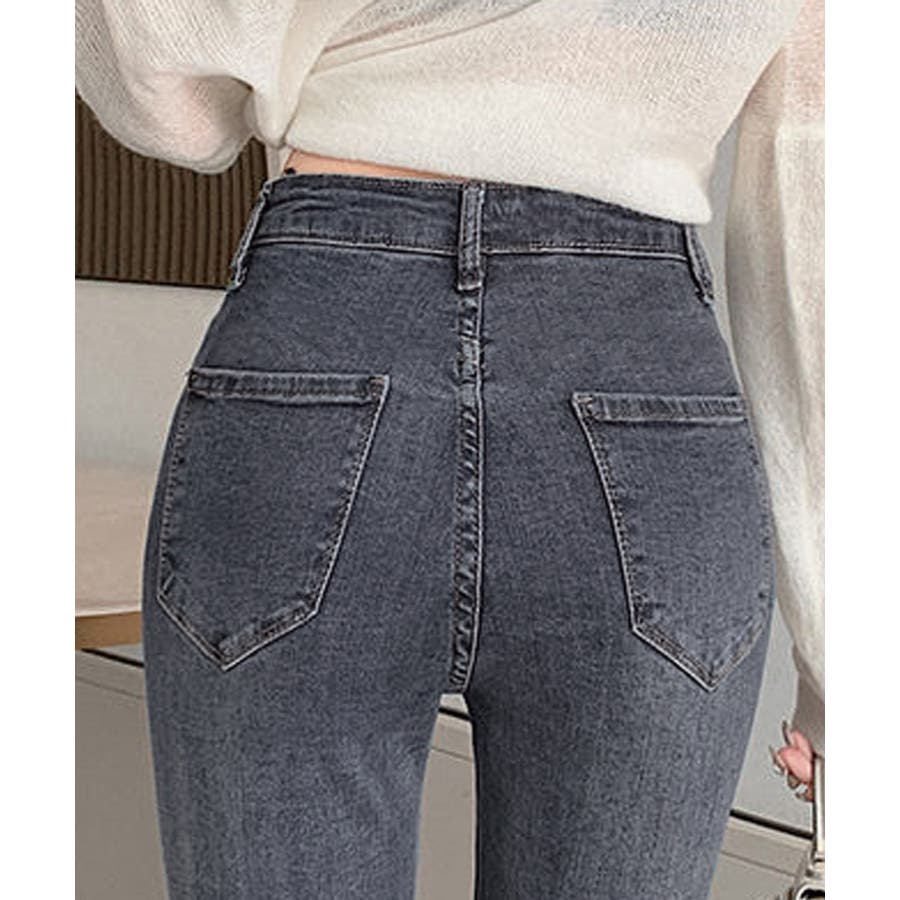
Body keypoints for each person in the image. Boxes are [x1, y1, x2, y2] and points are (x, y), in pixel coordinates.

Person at [75, 1, 824, 897]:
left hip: (324, 343)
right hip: (640, 381)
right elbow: (818, 199)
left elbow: (168, 93)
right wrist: (838, 655)